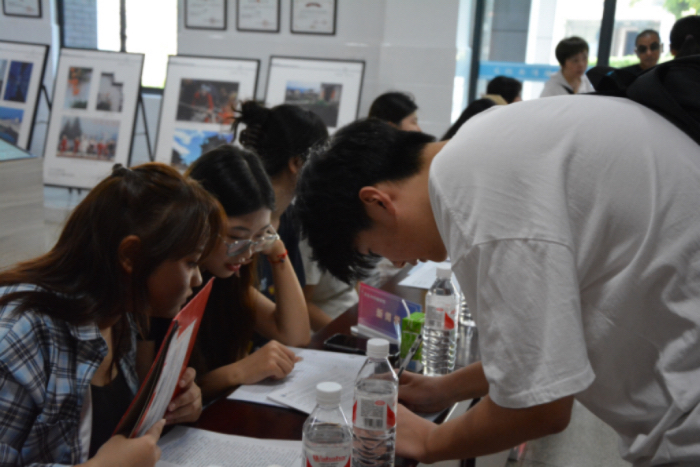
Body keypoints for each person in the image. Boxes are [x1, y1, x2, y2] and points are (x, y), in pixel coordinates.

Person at [293, 92, 700, 466]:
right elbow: (544, 348)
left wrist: (431, 441)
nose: (397, 261)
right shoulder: (481, 146)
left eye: (374, 249)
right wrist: (447, 388)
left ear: (377, 202)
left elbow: (542, 407)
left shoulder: (474, 201)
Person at [0, 163, 221, 466]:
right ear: (131, 256)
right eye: (191, 262)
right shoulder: (20, 332)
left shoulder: (121, 312)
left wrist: (176, 406)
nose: (197, 280)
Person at [181, 145, 310, 402]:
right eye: (236, 236)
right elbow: (159, 401)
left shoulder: (224, 278)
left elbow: (295, 336)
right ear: (199, 218)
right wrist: (237, 372)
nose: (248, 253)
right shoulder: (174, 279)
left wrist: (277, 250)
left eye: (259, 236)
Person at [234, 101, 342, 331]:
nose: (326, 172)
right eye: (321, 160)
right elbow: (292, 332)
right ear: (296, 163)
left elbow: (297, 329)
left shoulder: (290, 220)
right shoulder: (239, 222)